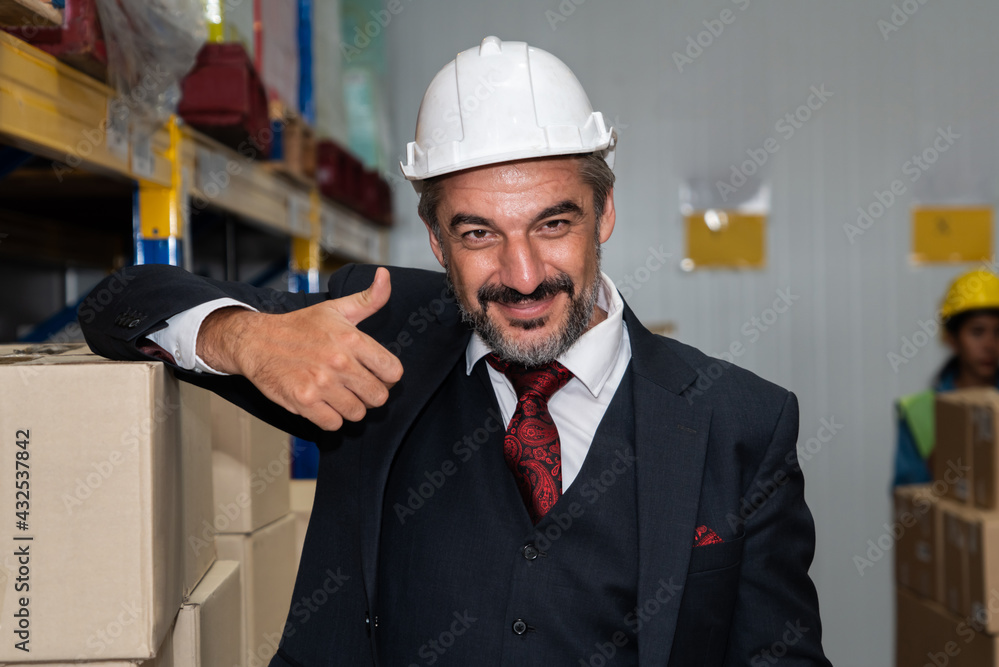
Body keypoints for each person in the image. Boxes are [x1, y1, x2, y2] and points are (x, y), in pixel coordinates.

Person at [79, 37, 831, 666]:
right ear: (437, 242)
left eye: (552, 223)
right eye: (479, 234)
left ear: (605, 212)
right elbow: (119, 305)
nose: (524, 275)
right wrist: (246, 338)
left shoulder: (739, 423)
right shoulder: (373, 337)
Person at [893, 268, 999, 486]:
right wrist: (936, 466)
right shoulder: (919, 411)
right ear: (952, 339)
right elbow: (907, 498)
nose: (990, 345)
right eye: (977, 332)